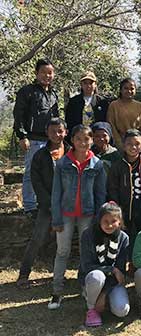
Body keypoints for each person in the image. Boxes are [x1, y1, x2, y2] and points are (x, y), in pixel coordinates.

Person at [49, 125, 107, 309]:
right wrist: (56, 219)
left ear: (92, 141)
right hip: (65, 214)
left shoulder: (97, 164)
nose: (83, 143)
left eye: (86, 139)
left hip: (87, 215)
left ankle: (85, 287)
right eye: (79, 139)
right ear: (72, 140)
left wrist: (99, 219)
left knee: (86, 253)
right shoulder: (62, 163)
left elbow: (100, 194)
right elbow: (56, 193)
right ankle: (57, 292)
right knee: (62, 251)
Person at [17, 118, 70, 289]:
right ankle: (24, 274)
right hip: (47, 206)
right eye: (53, 131)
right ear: (47, 133)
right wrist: (49, 203)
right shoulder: (40, 155)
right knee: (38, 238)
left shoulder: (72, 151)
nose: (57, 134)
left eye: (60, 131)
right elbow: (36, 181)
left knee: (64, 242)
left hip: (69, 205)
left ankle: (60, 275)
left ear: (66, 132)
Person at [13, 58, 59, 216]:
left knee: (52, 171)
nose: (47, 76)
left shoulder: (53, 93)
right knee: (31, 172)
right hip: (32, 138)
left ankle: (46, 203)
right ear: (36, 73)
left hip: (50, 140)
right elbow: (18, 115)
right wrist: (22, 136)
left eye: (50, 73)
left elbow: (56, 118)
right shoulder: (27, 91)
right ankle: (30, 205)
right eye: (44, 72)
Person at [107, 129, 141, 255]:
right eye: (129, 144)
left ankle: (139, 265)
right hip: (124, 209)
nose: (133, 147)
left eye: (137, 144)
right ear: (124, 145)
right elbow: (112, 189)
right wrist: (116, 210)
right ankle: (123, 264)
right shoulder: (117, 166)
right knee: (123, 237)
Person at [79, 202, 130, 327]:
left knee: (122, 311)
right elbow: (87, 266)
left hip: (112, 282)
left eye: (114, 221)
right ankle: (91, 308)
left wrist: (104, 294)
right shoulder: (88, 235)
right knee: (97, 276)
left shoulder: (123, 238)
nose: (109, 225)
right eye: (105, 221)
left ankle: (103, 299)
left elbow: (120, 271)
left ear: (119, 222)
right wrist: (111, 269)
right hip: (92, 277)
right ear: (99, 220)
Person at [107, 78, 141, 149]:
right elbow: (111, 124)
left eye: (132, 88)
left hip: (136, 142)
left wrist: (140, 141)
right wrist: (119, 142)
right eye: (126, 88)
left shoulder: (140, 105)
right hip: (120, 142)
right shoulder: (114, 105)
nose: (129, 91)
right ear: (121, 90)